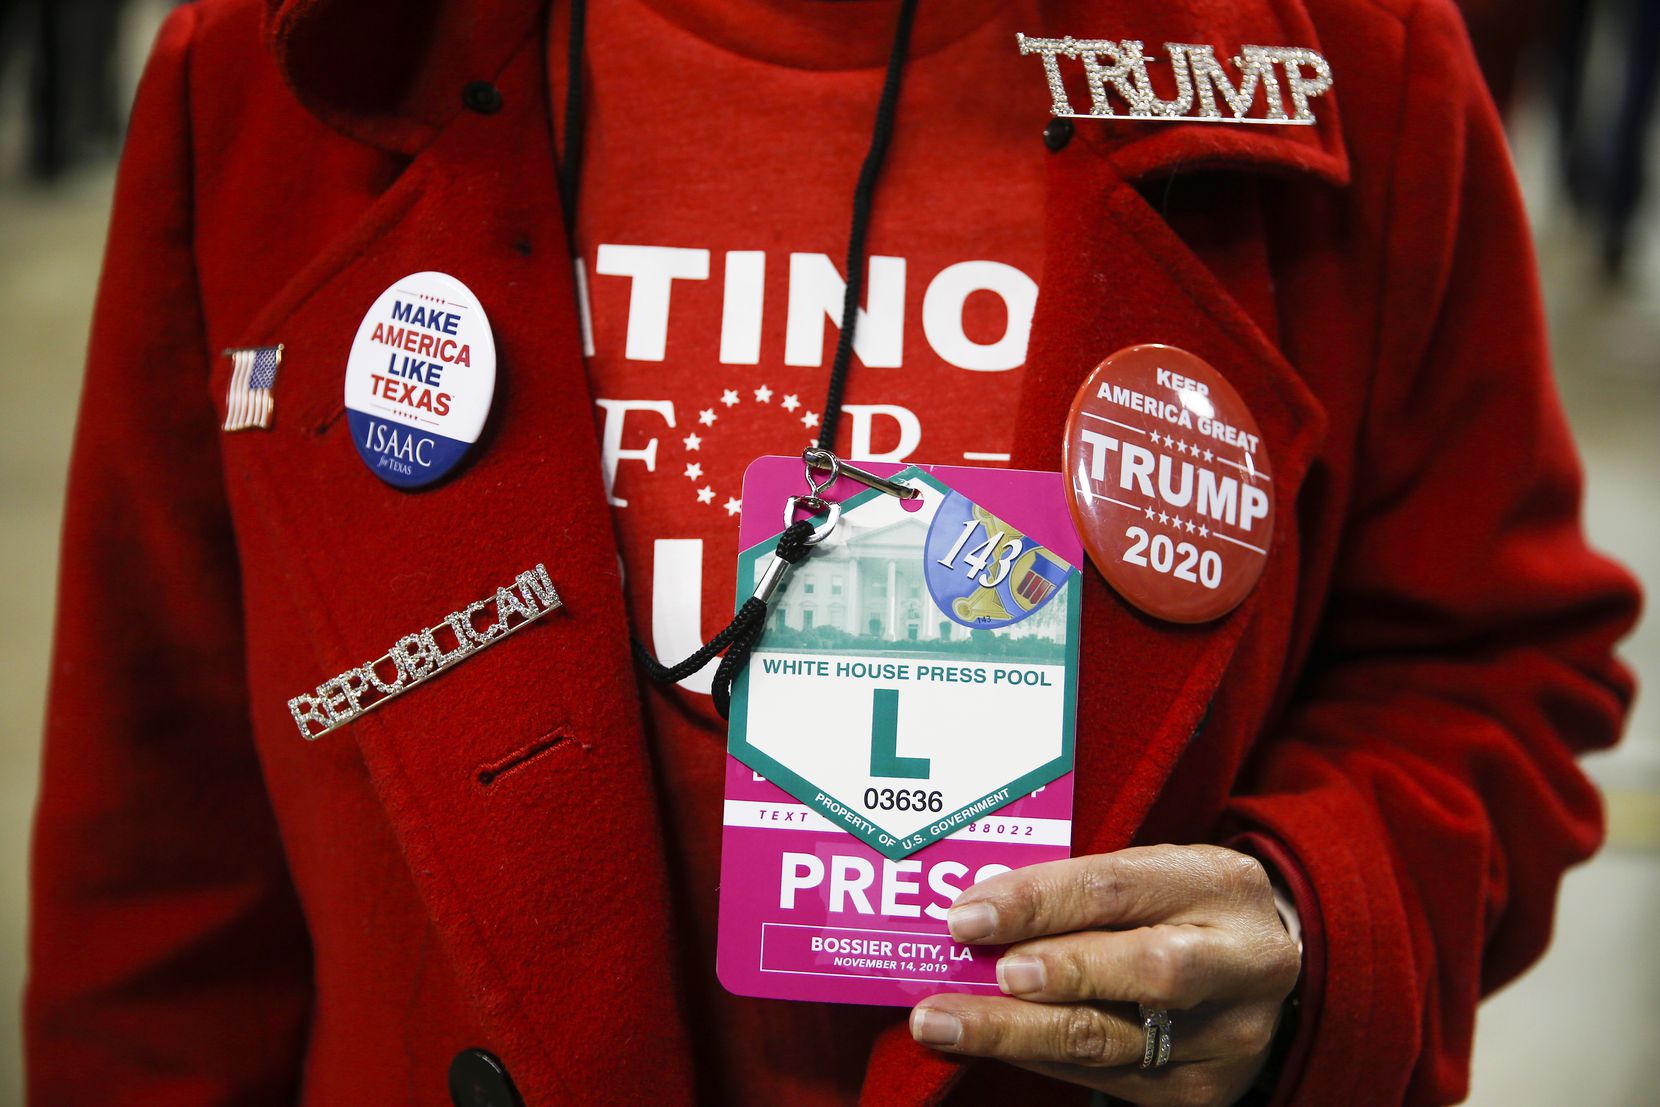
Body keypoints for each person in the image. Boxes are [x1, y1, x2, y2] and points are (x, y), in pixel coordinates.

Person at [25, 0, 1640, 1105]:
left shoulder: (1346, 68)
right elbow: (159, 845)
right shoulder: (280, 79)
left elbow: (1491, 666)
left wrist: (1318, 925)